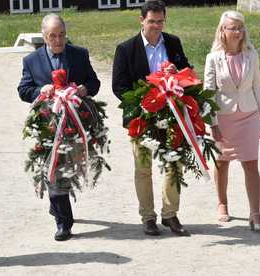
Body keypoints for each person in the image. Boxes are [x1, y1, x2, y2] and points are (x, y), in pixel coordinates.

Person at [18, 13, 100, 241]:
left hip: (76, 122)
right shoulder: (31, 61)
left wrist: (84, 89)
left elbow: (95, 82)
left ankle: (58, 207)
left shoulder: (79, 55)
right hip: (48, 124)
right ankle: (64, 222)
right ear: (44, 37)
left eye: (61, 35)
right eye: (52, 36)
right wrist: (39, 91)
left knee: (70, 168)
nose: (57, 40)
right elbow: (23, 90)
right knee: (54, 169)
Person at [112, 0, 191, 236]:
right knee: (143, 169)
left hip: (172, 114)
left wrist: (177, 73)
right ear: (141, 21)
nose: (156, 26)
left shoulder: (173, 42)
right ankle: (148, 217)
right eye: (151, 21)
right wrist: (145, 103)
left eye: (160, 21)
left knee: (174, 164)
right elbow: (119, 87)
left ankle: (170, 215)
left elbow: (187, 70)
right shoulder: (126, 49)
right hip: (142, 117)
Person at [204, 10, 260, 233]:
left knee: (251, 164)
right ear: (223, 30)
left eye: (241, 28)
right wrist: (212, 124)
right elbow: (208, 93)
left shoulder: (252, 55)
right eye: (233, 28)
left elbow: (257, 87)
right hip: (223, 118)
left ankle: (255, 214)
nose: (238, 32)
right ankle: (222, 203)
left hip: (249, 116)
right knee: (222, 163)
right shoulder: (213, 58)